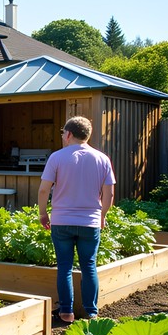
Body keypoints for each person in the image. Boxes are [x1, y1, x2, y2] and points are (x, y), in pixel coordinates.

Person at [37, 116, 116, 324]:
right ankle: (91, 312)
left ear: (69, 134)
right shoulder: (102, 159)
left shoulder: (57, 157)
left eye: (63, 132)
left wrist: (43, 213)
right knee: (89, 265)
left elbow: (44, 189)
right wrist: (102, 216)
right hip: (90, 222)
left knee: (64, 267)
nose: (63, 136)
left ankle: (66, 312)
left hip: (62, 221)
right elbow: (109, 195)